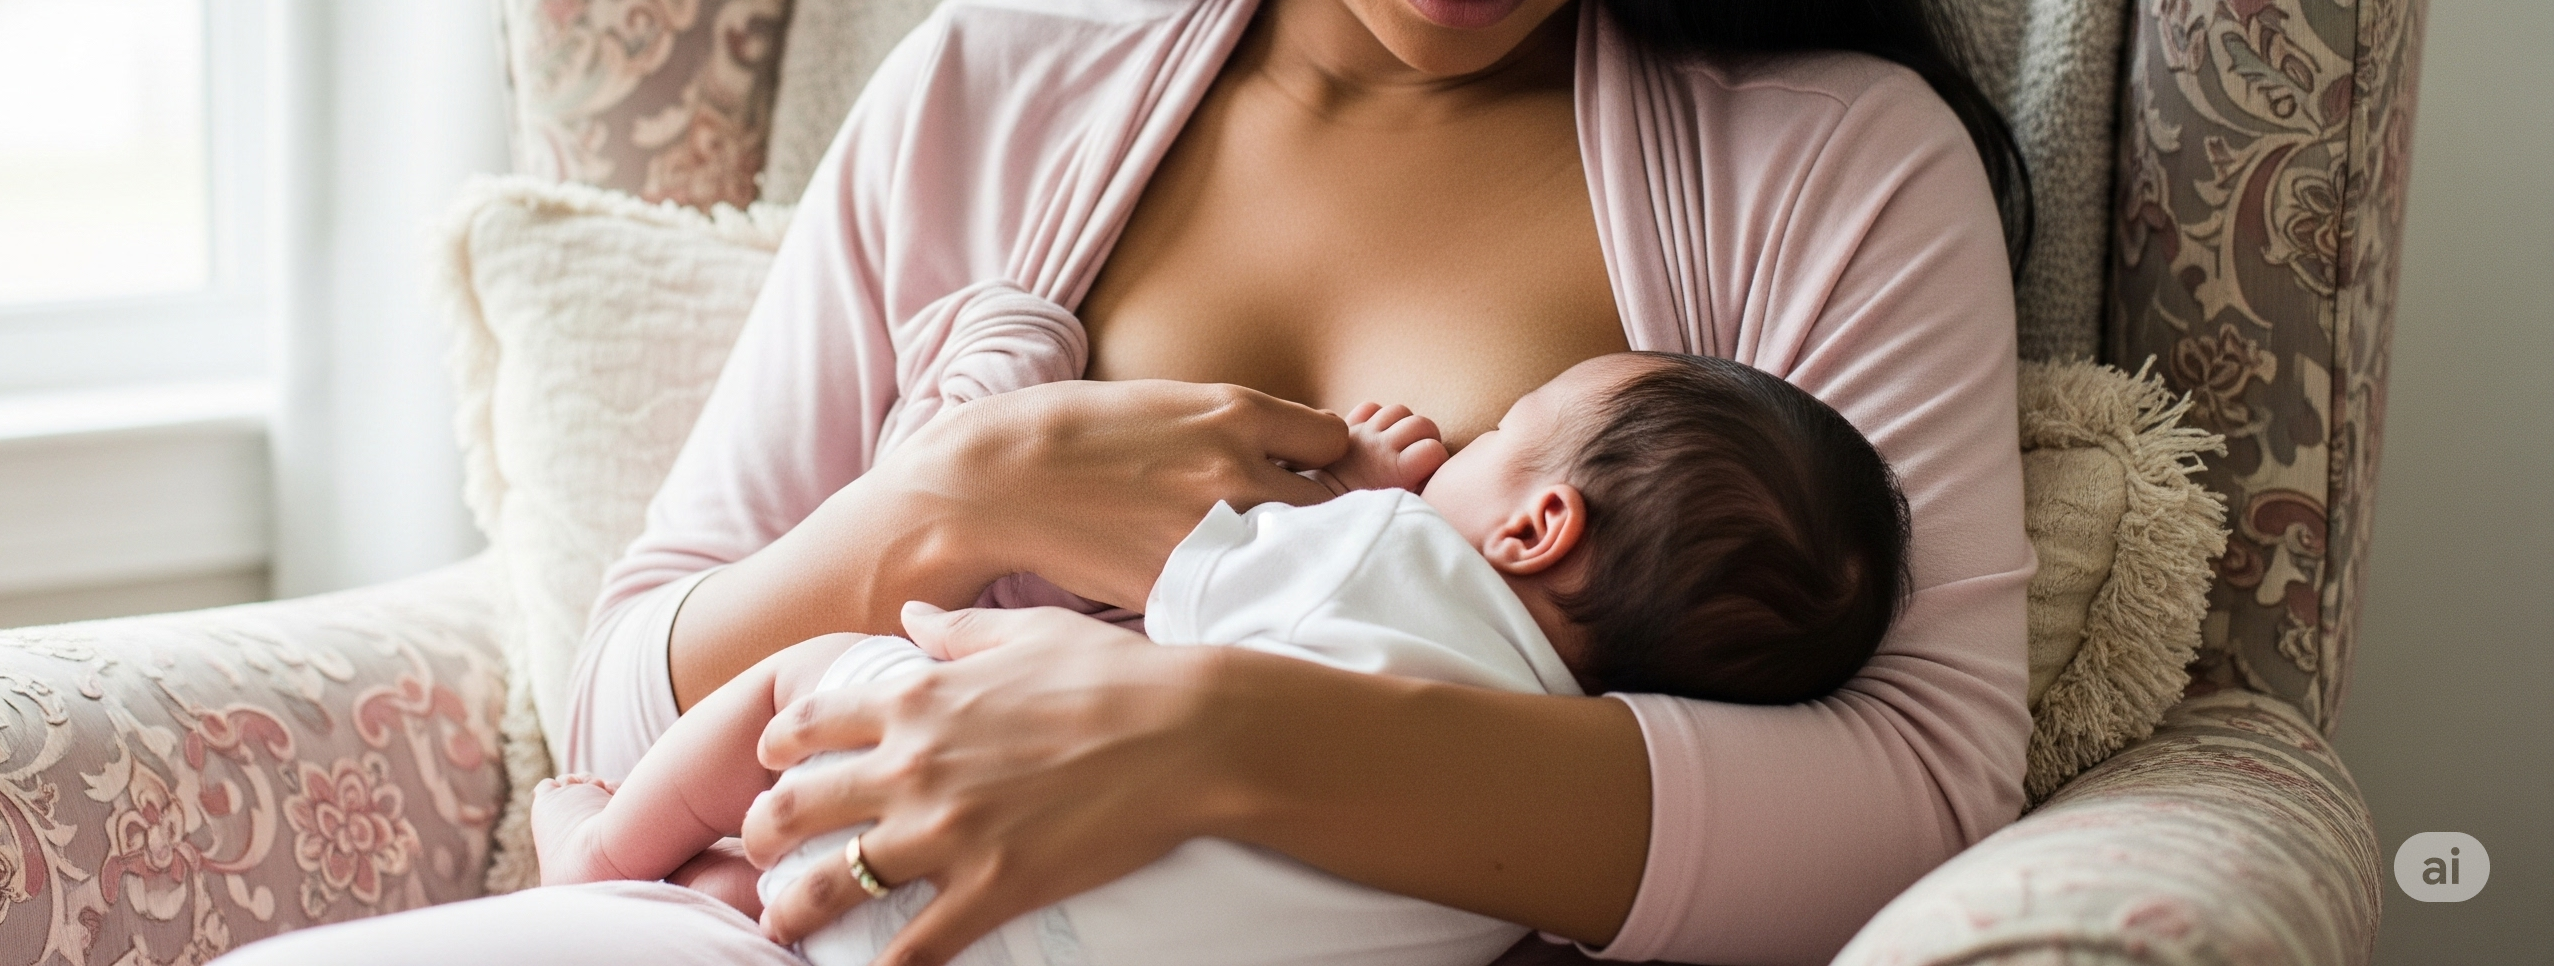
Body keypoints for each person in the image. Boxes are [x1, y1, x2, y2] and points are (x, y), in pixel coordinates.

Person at [229, 0, 2034, 962]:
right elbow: (622, 692)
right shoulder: (982, 96)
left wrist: (1215, 731)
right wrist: (958, 492)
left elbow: (1923, 787)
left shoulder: (1833, 171)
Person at [528, 352, 1911, 966]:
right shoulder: (1531, 871)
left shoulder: (1389, 554)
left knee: (797, 686)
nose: (1464, 439)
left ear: (1538, 525)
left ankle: (603, 855)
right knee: (782, 881)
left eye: (1504, 428)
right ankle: (706, 889)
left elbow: (1188, 565)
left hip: (940, 839)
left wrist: (1363, 479)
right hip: (1040, 941)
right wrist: (948, 486)